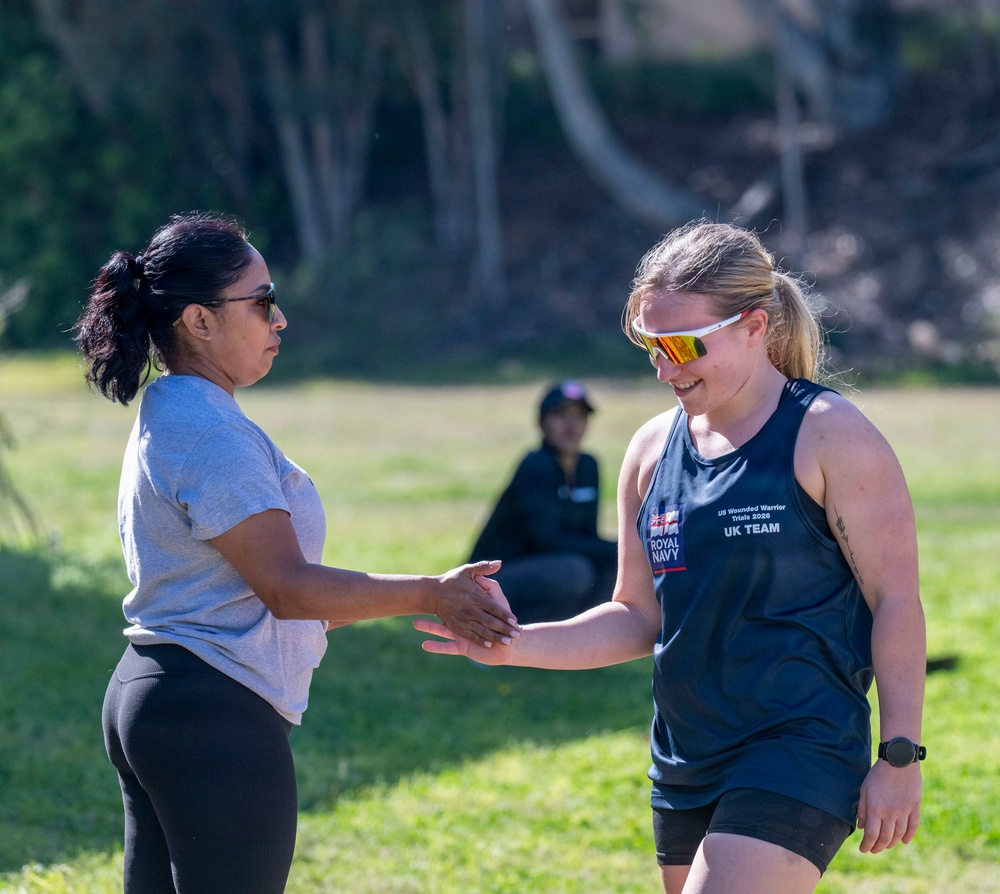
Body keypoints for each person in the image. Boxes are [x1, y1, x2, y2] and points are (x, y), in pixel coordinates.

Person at [417, 221, 926, 894]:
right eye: (651, 346)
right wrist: (515, 646)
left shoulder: (831, 436)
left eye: (683, 345)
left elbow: (895, 601)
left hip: (798, 744)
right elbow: (635, 615)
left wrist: (899, 757)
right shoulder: (652, 449)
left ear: (753, 325)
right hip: (685, 757)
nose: (665, 367)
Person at [74, 211, 519, 894]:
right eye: (261, 302)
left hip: (163, 696)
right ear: (198, 321)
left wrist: (404, 601)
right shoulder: (212, 434)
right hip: (212, 714)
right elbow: (286, 587)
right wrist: (432, 593)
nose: (279, 320)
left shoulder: (177, 411)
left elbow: (261, 599)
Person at [467, 380, 617, 623]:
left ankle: (582, 643)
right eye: (561, 416)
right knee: (575, 571)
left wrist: (625, 551)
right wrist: (619, 547)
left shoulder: (588, 465)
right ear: (541, 423)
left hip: (550, 566)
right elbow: (546, 540)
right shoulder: (536, 466)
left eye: (579, 417)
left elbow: (588, 534)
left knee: (616, 564)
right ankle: (508, 635)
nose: (571, 425)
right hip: (495, 577)